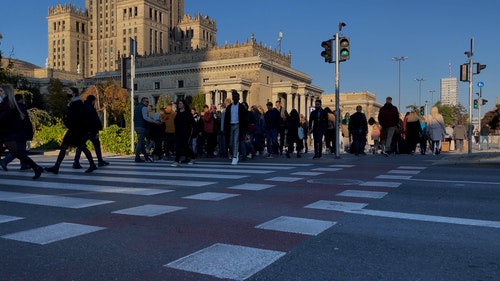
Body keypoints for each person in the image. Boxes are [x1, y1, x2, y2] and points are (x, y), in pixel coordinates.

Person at [45, 87, 97, 174]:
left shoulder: (77, 103)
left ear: (74, 93)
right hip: (76, 129)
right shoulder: (74, 103)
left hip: (76, 130)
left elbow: (75, 117)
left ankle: (56, 167)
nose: (67, 92)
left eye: (69, 91)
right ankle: (56, 167)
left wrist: (67, 124)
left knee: (69, 147)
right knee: (78, 147)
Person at [0, 85, 43, 179]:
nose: (0, 93)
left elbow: (3, 118)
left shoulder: (9, 104)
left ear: (6, 92)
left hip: (9, 133)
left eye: (1, 91)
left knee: (17, 153)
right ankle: (36, 168)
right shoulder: (5, 103)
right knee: (17, 153)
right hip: (6, 133)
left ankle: (36, 167)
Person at [72, 95, 109, 169]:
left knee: (80, 147)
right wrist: (98, 130)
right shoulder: (91, 109)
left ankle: (76, 162)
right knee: (97, 146)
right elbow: (95, 120)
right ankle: (100, 161)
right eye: (94, 101)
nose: (95, 102)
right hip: (91, 131)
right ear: (92, 101)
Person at [1, 94, 34, 170]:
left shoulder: (12, 107)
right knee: (19, 150)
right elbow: (26, 121)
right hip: (21, 132)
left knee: (21, 149)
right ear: (20, 99)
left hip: (15, 131)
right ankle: (5, 161)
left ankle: (24, 164)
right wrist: (30, 131)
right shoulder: (21, 107)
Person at [223, 90, 248, 165]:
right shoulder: (229, 107)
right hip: (230, 125)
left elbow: (244, 119)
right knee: (230, 142)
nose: (235, 98)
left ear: (239, 98)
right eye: (234, 97)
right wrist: (224, 128)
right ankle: (235, 152)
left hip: (238, 125)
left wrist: (245, 130)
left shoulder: (241, 107)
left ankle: (234, 157)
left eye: (237, 97)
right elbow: (226, 118)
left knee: (236, 141)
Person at [171, 99, 196, 166]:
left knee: (185, 145)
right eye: (179, 103)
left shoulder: (187, 113)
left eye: (181, 103)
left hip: (186, 131)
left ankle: (192, 157)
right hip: (178, 131)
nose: (179, 105)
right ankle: (177, 160)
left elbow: (193, 122)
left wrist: (194, 130)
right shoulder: (178, 113)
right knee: (178, 146)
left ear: (184, 105)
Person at [134, 97, 158, 162]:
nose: (148, 103)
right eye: (147, 102)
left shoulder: (137, 107)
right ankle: (137, 157)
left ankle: (146, 156)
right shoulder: (144, 108)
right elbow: (145, 117)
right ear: (143, 101)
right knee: (140, 142)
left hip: (137, 126)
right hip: (142, 126)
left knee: (141, 142)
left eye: (148, 102)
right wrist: (154, 121)